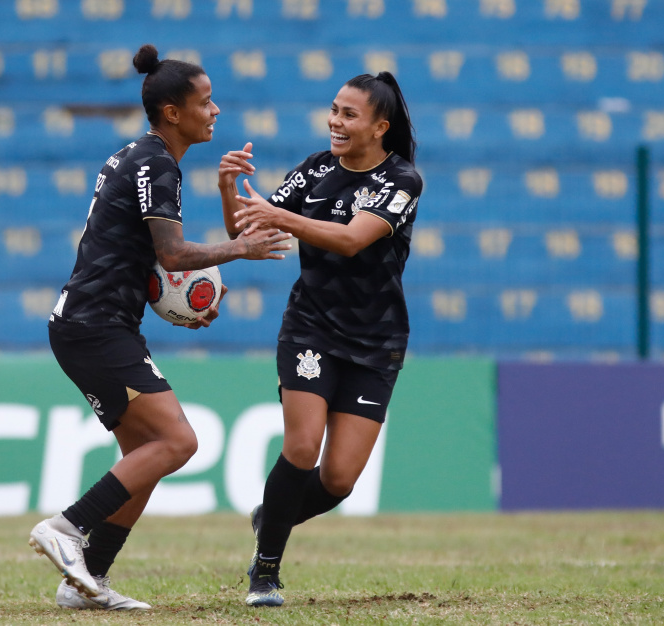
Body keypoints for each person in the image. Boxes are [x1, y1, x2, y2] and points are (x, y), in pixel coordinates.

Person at [28, 43, 292, 612]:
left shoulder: (140, 157)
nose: (215, 110)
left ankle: (87, 581)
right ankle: (67, 529)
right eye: (205, 101)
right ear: (172, 112)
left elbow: (145, 258)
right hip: (94, 325)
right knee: (178, 441)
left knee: (142, 455)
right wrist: (240, 249)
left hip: (92, 322)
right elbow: (171, 256)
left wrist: (186, 304)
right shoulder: (156, 163)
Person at [218, 71, 421, 607]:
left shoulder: (401, 181)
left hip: (376, 342)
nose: (335, 121)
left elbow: (354, 239)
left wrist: (281, 214)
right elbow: (247, 233)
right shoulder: (314, 170)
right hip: (310, 328)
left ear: (381, 127)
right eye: (334, 109)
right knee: (302, 447)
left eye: (349, 115)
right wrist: (227, 189)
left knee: (338, 480)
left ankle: (273, 513)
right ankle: (265, 572)